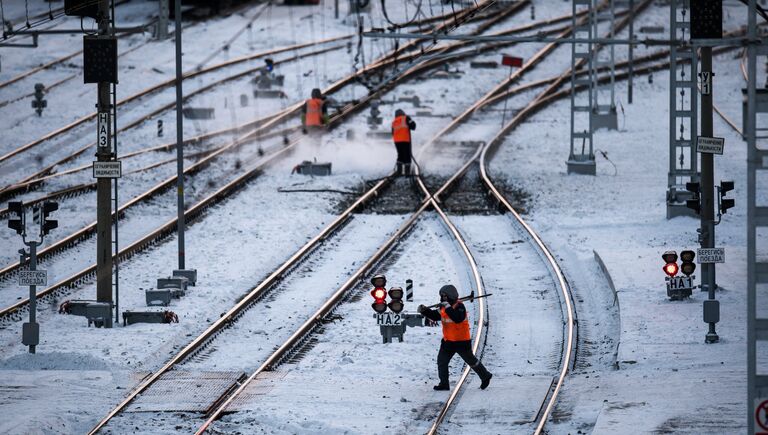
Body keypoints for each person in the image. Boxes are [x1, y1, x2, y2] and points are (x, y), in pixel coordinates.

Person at [418, 284, 492, 391]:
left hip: (461, 342)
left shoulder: (459, 307)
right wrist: (424, 311)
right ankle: (444, 384)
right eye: (442, 296)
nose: (442, 298)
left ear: (450, 296)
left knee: (471, 361)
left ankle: (485, 376)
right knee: (442, 362)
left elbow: (457, 318)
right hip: (448, 342)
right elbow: (435, 316)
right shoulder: (444, 307)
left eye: (444, 296)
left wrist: (447, 307)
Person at [391, 108, 416, 175]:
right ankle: (407, 173)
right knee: (407, 155)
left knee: (400, 155)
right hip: (405, 140)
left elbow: (392, 132)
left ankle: (399, 172)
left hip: (397, 141)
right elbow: (413, 126)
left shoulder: (394, 121)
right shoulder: (406, 118)